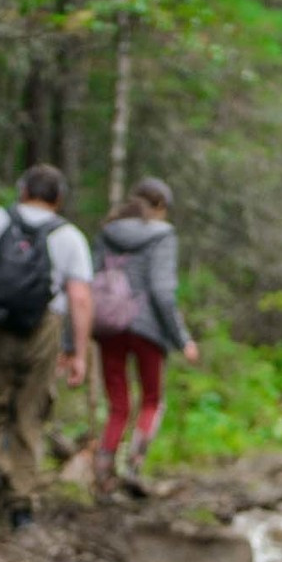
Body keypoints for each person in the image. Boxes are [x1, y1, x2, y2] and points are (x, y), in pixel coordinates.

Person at [0, 163, 93, 530]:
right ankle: (21, 506)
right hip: (41, 329)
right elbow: (79, 297)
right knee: (30, 413)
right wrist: (78, 353)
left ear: (22, 189)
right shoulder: (69, 236)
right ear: (58, 198)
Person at [91, 177, 195, 495]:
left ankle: (103, 473)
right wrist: (182, 339)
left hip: (108, 325)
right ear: (161, 206)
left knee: (118, 404)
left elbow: (90, 280)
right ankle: (134, 465)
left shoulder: (108, 231)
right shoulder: (162, 236)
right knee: (152, 400)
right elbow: (163, 292)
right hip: (148, 327)